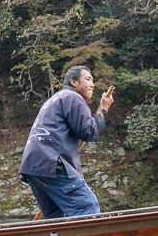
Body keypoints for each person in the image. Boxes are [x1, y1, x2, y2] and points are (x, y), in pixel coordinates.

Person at [19, 65, 115, 219]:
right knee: (86, 206)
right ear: (73, 81)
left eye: (93, 81)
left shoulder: (55, 99)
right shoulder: (73, 97)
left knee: (55, 217)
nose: (92, 84)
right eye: (88, 79)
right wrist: (103, 108)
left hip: (33, 166)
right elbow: (88, 131)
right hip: (51, 162)